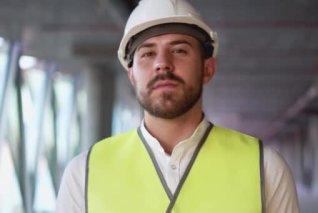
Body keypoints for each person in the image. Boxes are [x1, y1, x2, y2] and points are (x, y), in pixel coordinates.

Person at [56, 0, 300, 212]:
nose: (163, 63)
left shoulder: (265, 168)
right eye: (148, 54)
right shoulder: (84, 173)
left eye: (179, 50)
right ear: (132, 75)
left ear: (207, 69)